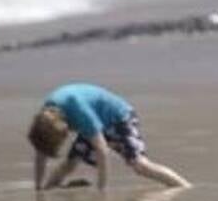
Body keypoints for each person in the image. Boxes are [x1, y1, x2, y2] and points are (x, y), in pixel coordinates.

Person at [28, 82, 191, 191]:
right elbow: (41, 151)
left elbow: (102, 151)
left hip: (119, 118)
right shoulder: (46, 116)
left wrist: (102, 191)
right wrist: (38, 188)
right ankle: (48, 192)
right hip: (95, 121)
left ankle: (183, 186)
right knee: (69, 165)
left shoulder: (79, 111)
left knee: (140, 165)